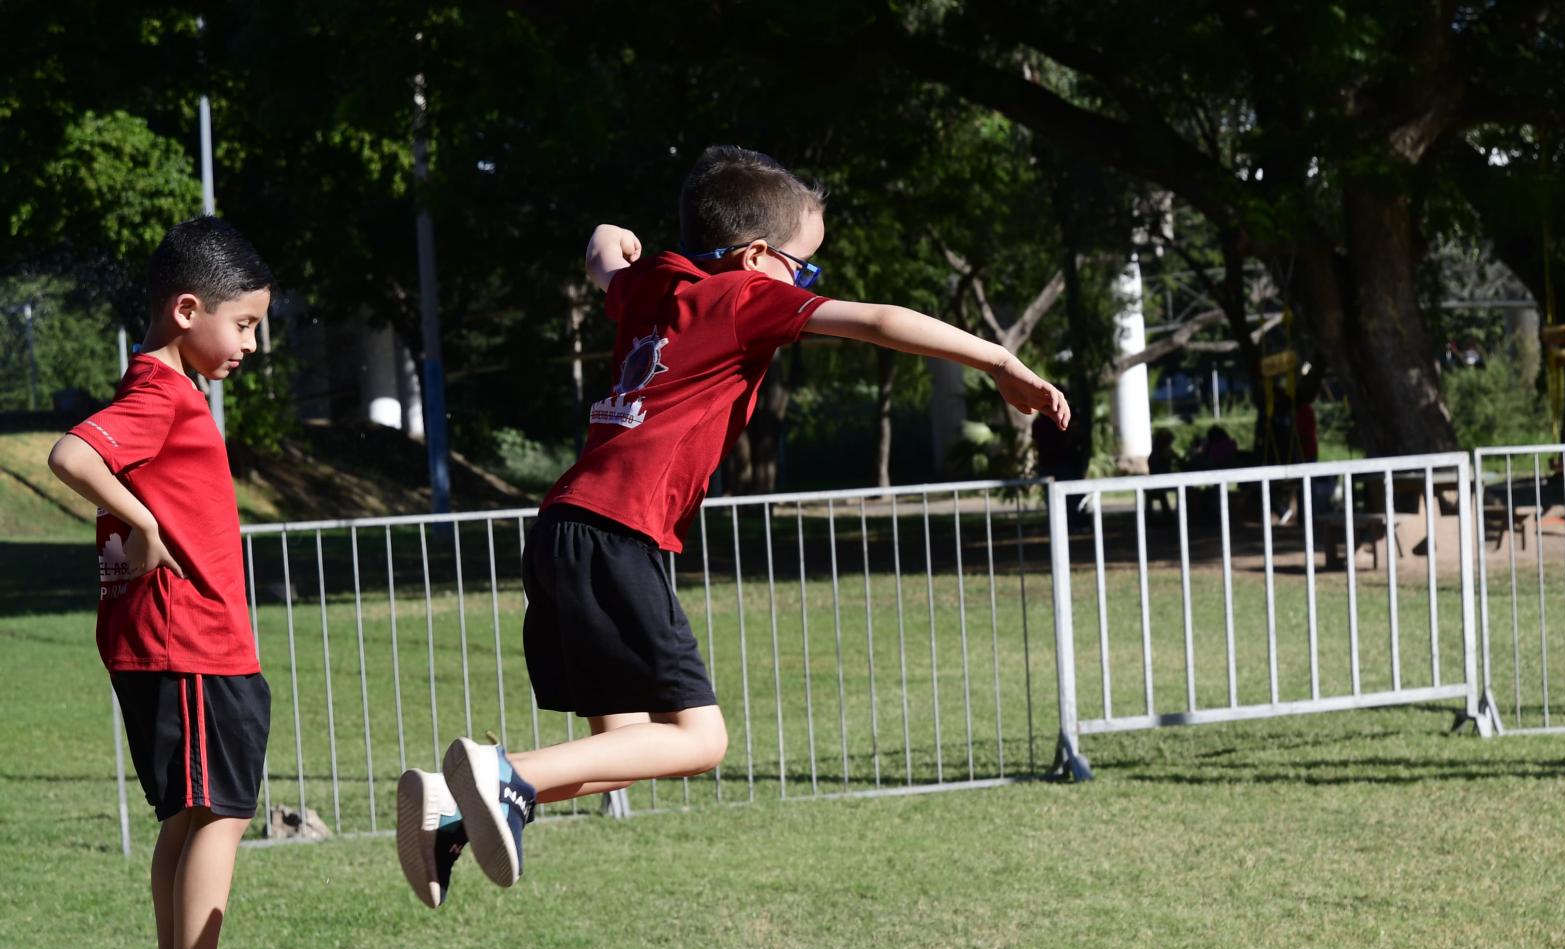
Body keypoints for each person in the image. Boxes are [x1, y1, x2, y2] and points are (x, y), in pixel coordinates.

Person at [396, 145, 1069, 902]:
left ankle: (452, 809)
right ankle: (497, 774)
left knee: (624, 749)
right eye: (803, 268)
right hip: (622, 529)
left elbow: (602, 258)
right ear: (754, 256)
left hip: (561, 528)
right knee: (701, 738)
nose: (805, 285)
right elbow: (879, 320)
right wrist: (1001, 363)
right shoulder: (747, 297)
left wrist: (610, 235)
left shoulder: (655, 285)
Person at [46, 218, 296, 949]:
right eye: (245, 323)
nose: (252, 344)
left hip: (191, 642)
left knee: (191, 813)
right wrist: (143, 523)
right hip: (187, 642)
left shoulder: (170, 388)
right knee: (221, 809)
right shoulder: (158, 389)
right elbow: (71, 457)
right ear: (189, 309)